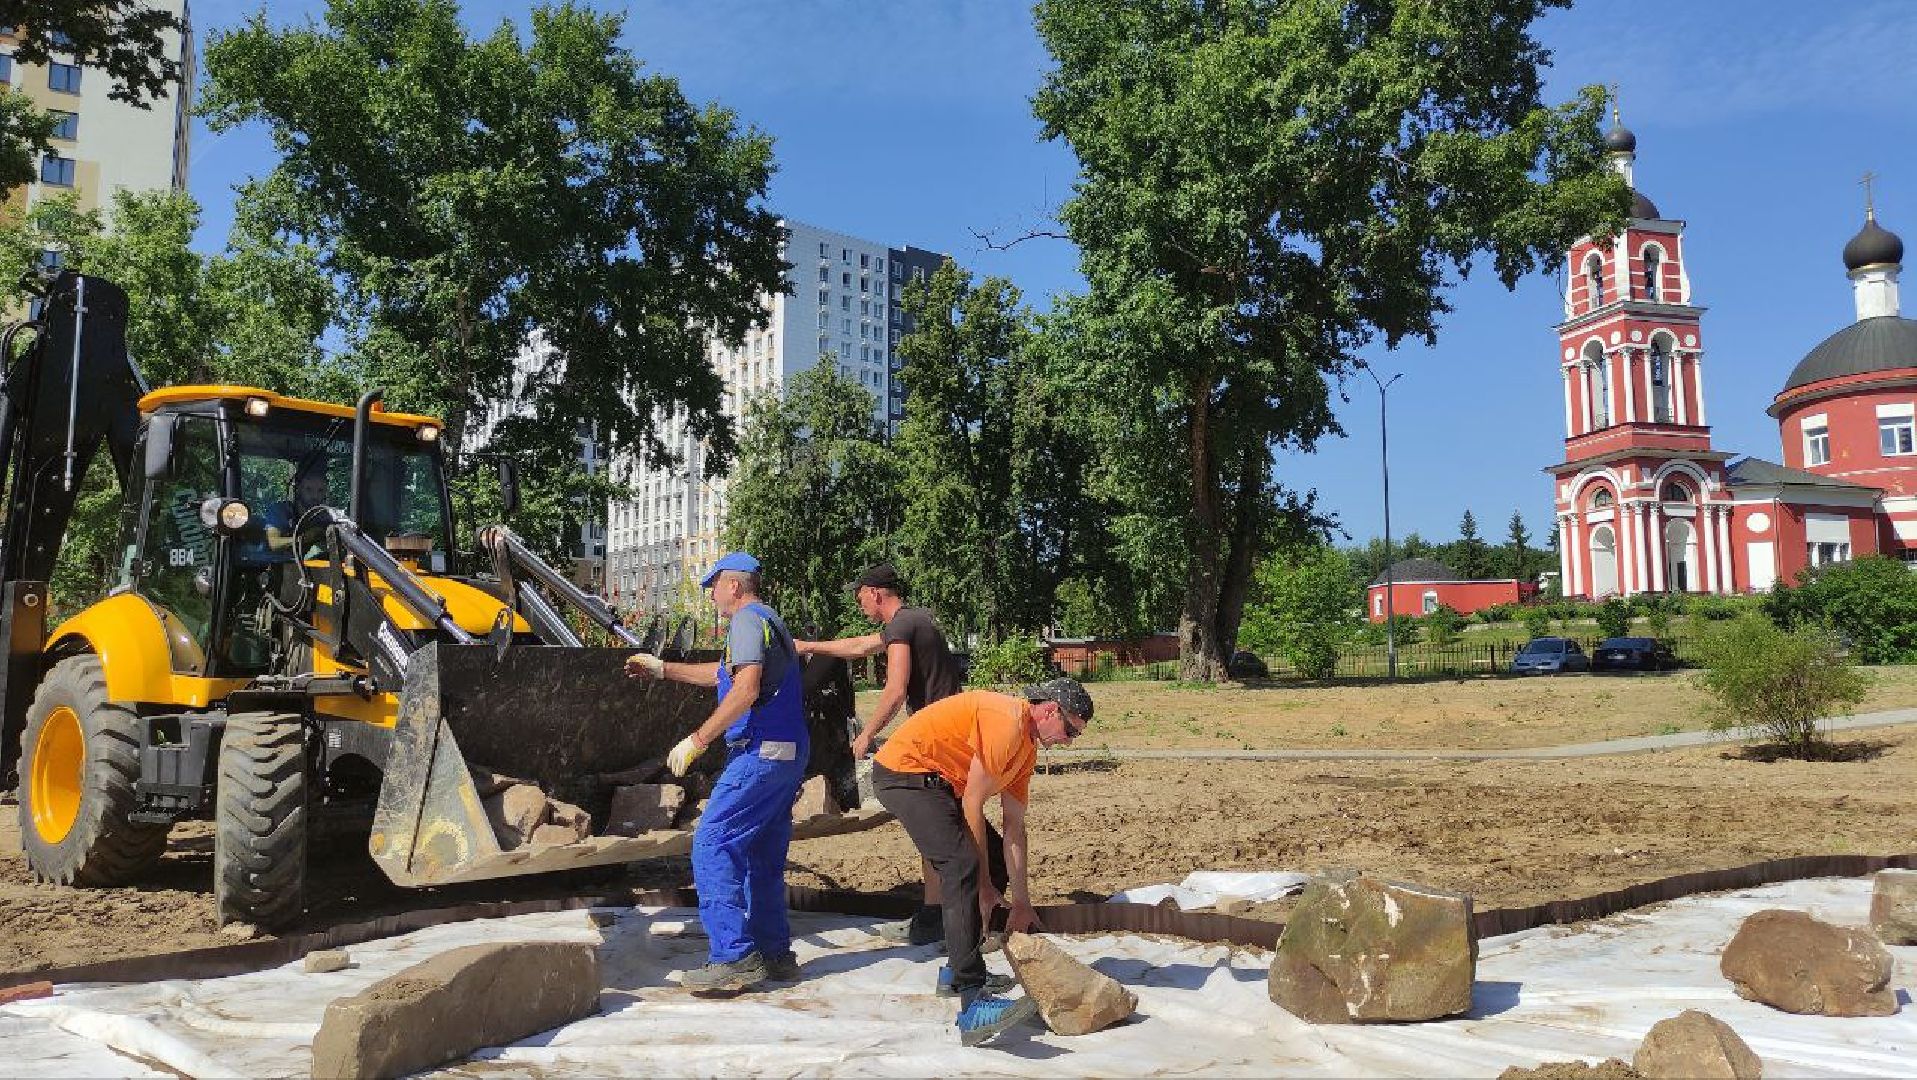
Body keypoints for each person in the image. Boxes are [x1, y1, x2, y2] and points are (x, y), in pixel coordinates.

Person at [871, 677, 1094, 1047]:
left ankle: (956, 969)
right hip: (904, 774)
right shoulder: (1006, 723)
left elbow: (1014, 829)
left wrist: (1021, 901)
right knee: (962, 869)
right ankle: (973, 1002)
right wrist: (986, 889)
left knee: (989, 861)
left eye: (1076, 736)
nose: (1069, 741)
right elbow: (973, 803)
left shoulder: (1026, 750)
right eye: (1070, 729)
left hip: (938, 784)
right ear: (1050, 709)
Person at [624, 552, 809, 992]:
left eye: (713, 588)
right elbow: (723, 675)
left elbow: (744, 690)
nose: (710, 598)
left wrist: (698, 739)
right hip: (788, 752)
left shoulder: (745, 622)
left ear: (734, 586)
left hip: (759, 753)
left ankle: (733, 956)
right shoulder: (767, 621)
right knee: (762, 853)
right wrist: (663, 669)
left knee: (712, 843)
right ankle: (774, 953)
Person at [796, 563, 984, 948]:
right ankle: (937, 913)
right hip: (951, 732)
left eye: (859, 594)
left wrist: (866, 734)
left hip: (940, 737)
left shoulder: (903, 624)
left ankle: (960, 918)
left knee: (938, 825)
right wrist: (810, 647)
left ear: (875, 592)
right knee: (938, 825)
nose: (858, 601)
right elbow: (861, 646)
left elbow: (896, 689)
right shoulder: (913, 622)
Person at [259, 462, 332, 560]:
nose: (315, 496)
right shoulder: (280, 511)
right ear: (298, 489)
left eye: (320, 491)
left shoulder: (325, 516)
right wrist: (306, 538)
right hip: (274, 568)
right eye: (309, 489)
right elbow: (274, 543)